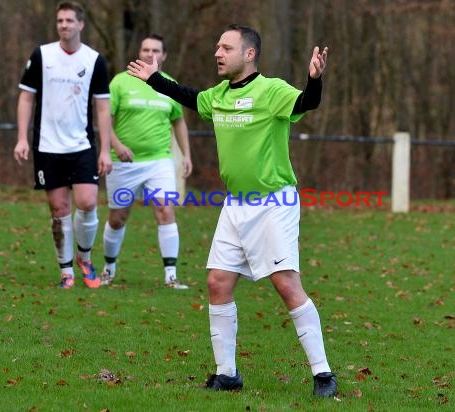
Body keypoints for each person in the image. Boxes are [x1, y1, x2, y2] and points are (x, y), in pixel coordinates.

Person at [127, 24, 336, 397]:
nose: (218, 53)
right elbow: (189, 97)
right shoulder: (219, 95)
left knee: (286, 285)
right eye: (217, 47)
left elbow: (307, 103)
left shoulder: (271, 90)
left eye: (226, 47)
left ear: (249, 54)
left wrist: (313, 79)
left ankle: (323, 375)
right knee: (217, 283)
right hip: (235, 204)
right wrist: (155, 79)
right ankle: (228, 374)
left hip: (274, 202)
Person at [13, 1, 112, 289]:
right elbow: (26, 97)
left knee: (88, 202)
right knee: (58, 209)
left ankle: (84, 257)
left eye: (70, 20)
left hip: (81, 145)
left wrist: (105, 149)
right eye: (60, 20)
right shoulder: (42, 55)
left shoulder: (95, 60)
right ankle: (66, 270)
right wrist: (21, 138)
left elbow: (103, 107)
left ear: (81, 24)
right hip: (47, 147)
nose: (65, 25)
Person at [100, 33, 192, 289]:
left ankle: (171, 276)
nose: (150, 54)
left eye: (156, 50)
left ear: (163, 56)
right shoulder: (120, 82)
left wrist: (186, 155)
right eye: (145, 49)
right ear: (139, 53)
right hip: (123, 164)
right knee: (118, 218)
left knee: (165, 210)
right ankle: (108, 268)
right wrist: (116, 145)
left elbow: (178, 121)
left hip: (159, 161)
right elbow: (105, 117)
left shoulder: (169, 85)